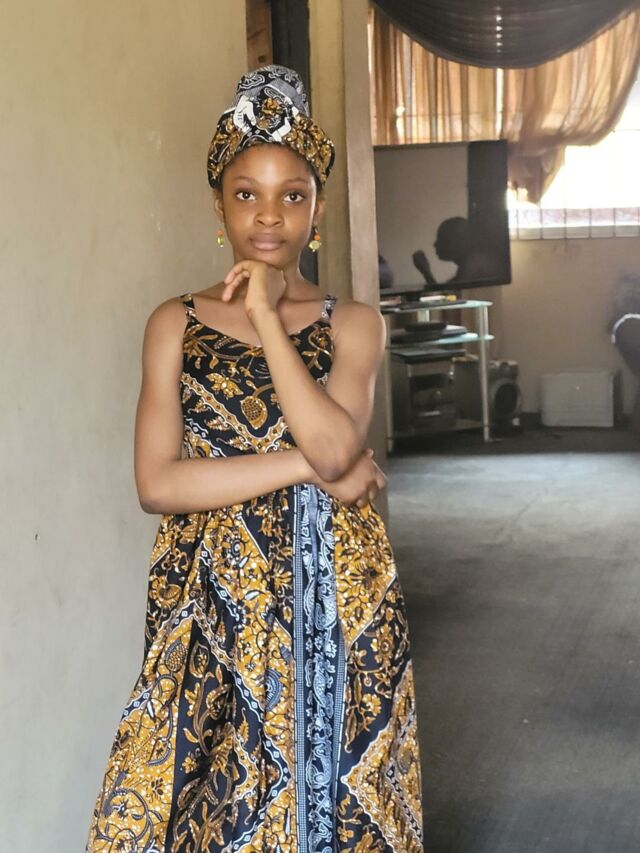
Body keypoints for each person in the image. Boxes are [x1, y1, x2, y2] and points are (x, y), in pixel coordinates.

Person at [85, 64, 424, 852]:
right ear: (219, 204)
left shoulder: (354, 323)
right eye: (247, 193)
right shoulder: (175, 323)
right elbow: (158, 481)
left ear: (318, 207)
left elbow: (337, 441)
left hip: (337, 597)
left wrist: (269, 315)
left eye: (292, 195)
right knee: (196, 808)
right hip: (211, 601)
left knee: (333, 810)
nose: (269, 215)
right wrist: (313, 468)